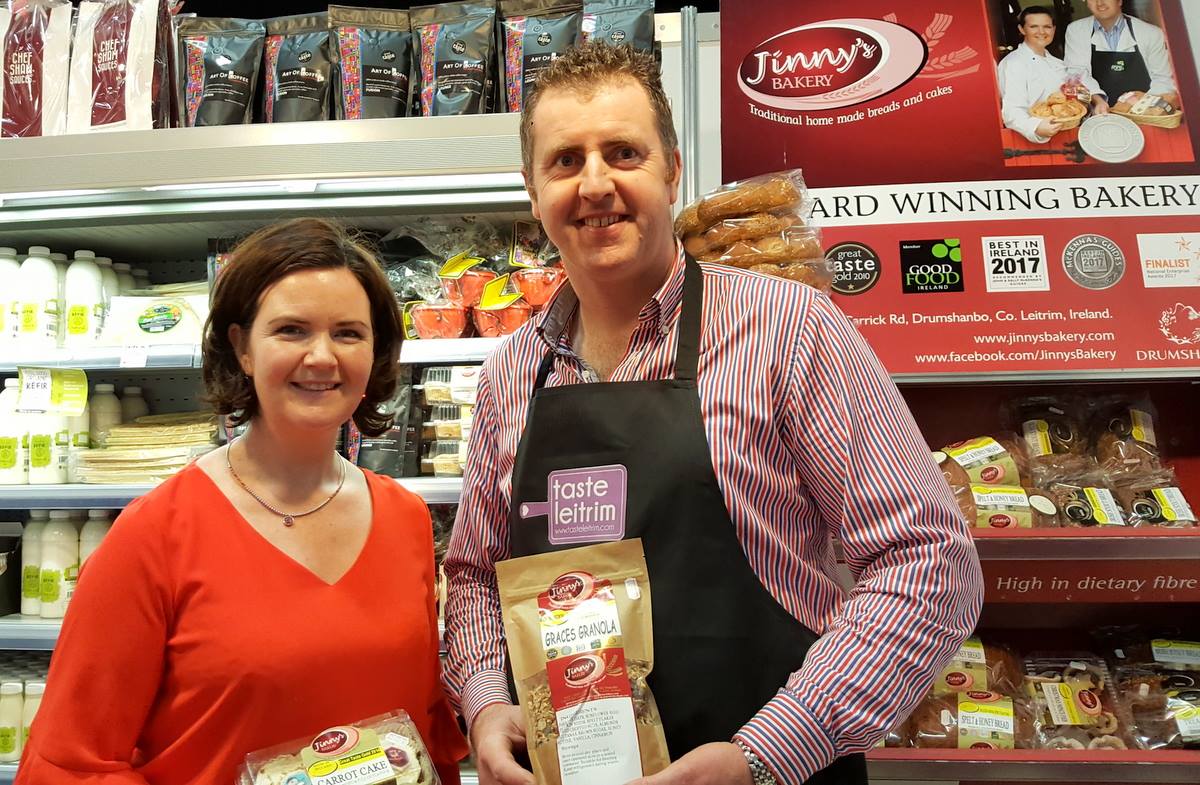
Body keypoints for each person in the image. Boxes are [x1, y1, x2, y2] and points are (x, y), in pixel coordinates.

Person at [443, 41, 983, 785]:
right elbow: (476, 573)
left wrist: (771, 749)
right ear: (533, 193)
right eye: (565, 161)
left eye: (623, 153)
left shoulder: (788, 327)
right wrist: (485, 701)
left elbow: (928, 560)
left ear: (672, 170)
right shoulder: (512, 373)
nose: (595, 183)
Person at [17, 219, 467, 784]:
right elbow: (69, 764)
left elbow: (422, 726)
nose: (322, 356)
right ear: (242, 347)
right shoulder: (156, 534)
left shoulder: (403, 517)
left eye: (349, 333)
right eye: (291, 330)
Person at [998, 6, 1108, 144]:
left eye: (1047, 27)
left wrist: (1098, 101)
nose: (1041, 32)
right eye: (1033, 27)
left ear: (1054, 29)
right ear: (1022, 29)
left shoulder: (1057, 63)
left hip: (1069, 134)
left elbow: (1076, 88)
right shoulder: (1014, 63)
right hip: (1037, 143)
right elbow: (1012, 111)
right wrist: (1036, 128)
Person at [1065, 0, 1180, 109]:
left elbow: (1164, 80)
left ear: (1120, 1)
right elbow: (1074, 77)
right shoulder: (1076, 31)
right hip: (1097, 114)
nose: (1100, 3)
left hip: (1144, 114)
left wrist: (1143, 104)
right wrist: (1097, 101)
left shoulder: (1151, 33)